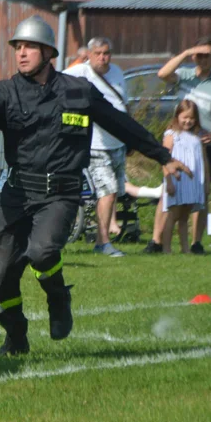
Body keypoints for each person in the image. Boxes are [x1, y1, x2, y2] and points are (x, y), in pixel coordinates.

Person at [0, 17, 190, 357]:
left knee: (42, 252)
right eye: (17, 47)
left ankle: (58, 297)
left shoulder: (77, 91)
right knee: (2, 276)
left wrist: (162, 156)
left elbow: (121, 124)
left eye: (28, 47)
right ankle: (16, 338)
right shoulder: (6, 91)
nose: (21, 53)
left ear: (48, 52)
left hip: (60, 192)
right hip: (16, 193)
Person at [157, 37, 211, 254]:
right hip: (180, 144)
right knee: (169, 194)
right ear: (193, 56)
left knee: (200, 194)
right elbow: (162, 74)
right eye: (199, 55)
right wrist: (186, 51)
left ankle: (196, 242)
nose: (203, 59)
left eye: (207, 55)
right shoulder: (184, 76)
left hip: (203, 144)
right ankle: (157, 241)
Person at [64, 37, 132, 257]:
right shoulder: (80, 72)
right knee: (108, 191)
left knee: (115, 193)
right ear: (89, 55)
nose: (104, 58)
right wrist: (78, 61)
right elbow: (57, 79)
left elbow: (124, 104)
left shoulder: (118, 72)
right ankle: (103, 242)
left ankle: (102, 237)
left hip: (118, 144)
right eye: (99, 53)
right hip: (95, 146)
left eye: (107, 53)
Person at [160, 100, 207, 254]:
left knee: (184, 217)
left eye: (191, 118)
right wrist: (169, 181)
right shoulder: (171, 134)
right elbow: (165, 159)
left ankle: (185, 248)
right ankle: (166, 248)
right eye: (184, 117)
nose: (188, 121)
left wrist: (205, 182)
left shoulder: (197, 136)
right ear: (177, 116)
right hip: (177, 180)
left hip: (192, 182)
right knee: (172, 215)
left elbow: (202, 160)